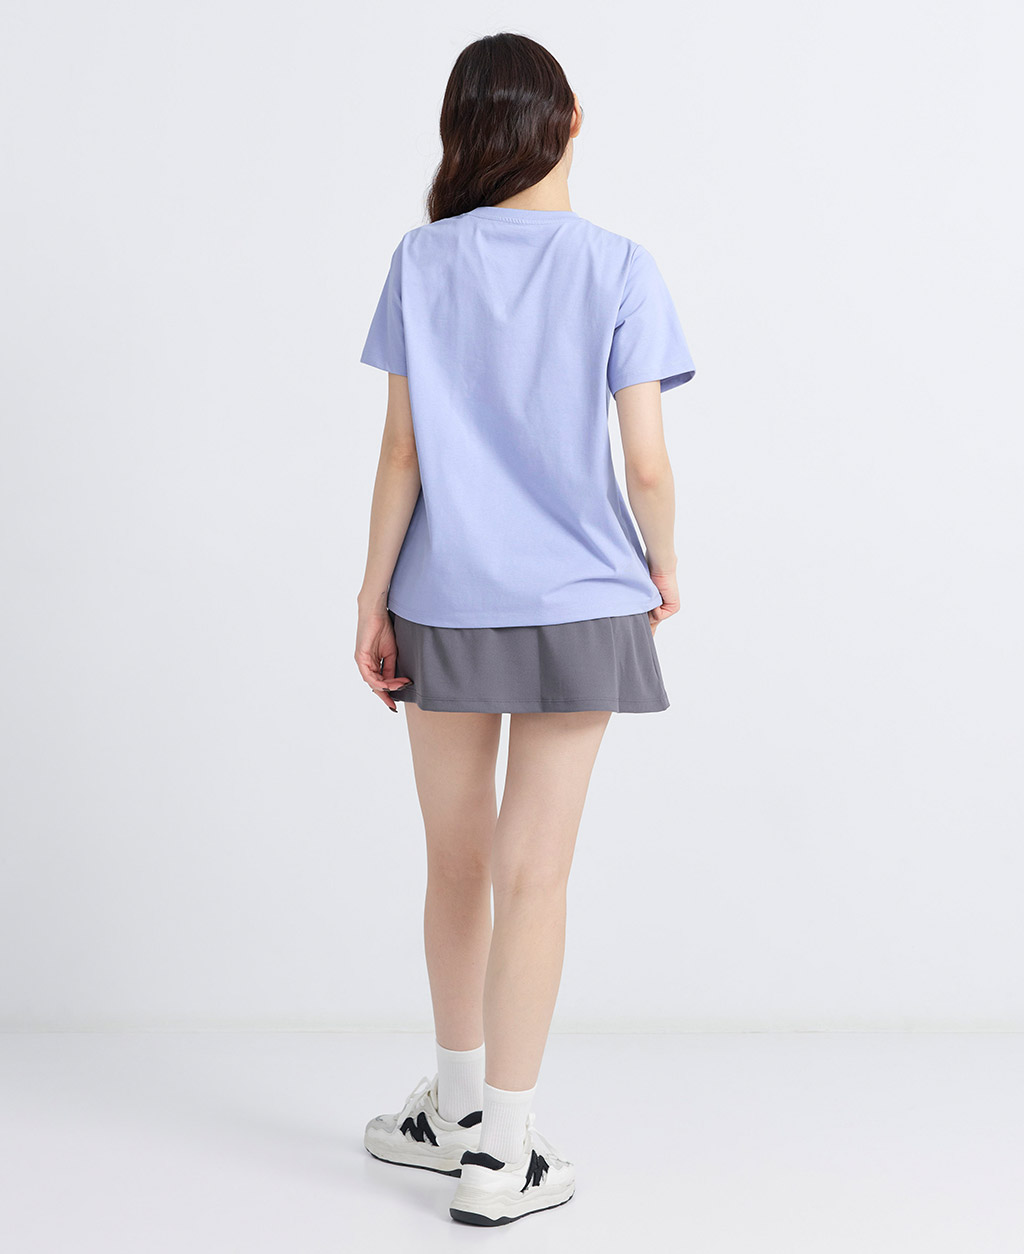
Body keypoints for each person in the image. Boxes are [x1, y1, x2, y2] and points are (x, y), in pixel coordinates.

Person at [354, 31, 695, 1227]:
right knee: (534, 874)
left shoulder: (421, 259)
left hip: (442, 600)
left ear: (464, 132)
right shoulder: (619, 266)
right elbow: (644, 463)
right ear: (571, 121)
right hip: (580, 601)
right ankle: (505, 1149)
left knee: (454, 863)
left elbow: (401, 452)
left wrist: (370, 597)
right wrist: (661, 562)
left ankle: (451, 1114)